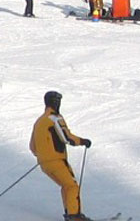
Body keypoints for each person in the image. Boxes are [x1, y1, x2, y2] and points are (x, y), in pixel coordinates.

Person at [29, 90, 92, 221]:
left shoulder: (39, 122)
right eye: (57, 101)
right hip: (57, 160)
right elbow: (66, 138)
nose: (58, 104)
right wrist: (83, 141)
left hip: (44, 164)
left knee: (66, 185)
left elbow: (32, 147)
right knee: (72, 185)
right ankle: (74, 216)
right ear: (53, 102)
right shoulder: (55, 118)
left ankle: (70, 214)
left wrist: (43, 155)